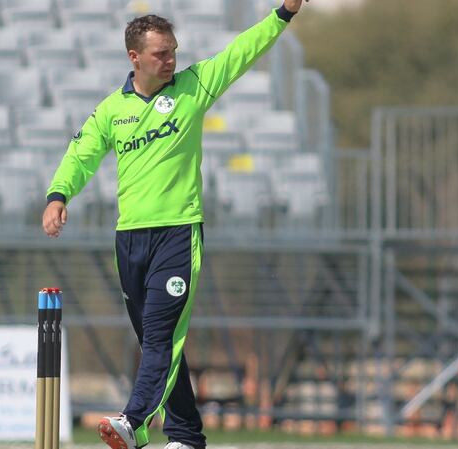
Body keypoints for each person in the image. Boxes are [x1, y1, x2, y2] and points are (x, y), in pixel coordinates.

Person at [42, 1, 308, 448]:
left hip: (178, 233)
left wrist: (282, 13)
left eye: (174, 51)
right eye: (161, 54)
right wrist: (58, 195)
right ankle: (185, 436)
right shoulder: (111, 110)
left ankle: (134, 420)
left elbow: (240, 52)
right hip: (130, 239)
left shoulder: (194, 86)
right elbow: (80, 156)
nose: (171, 60)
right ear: (135, 57)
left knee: (163, 334)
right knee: (157, 344)